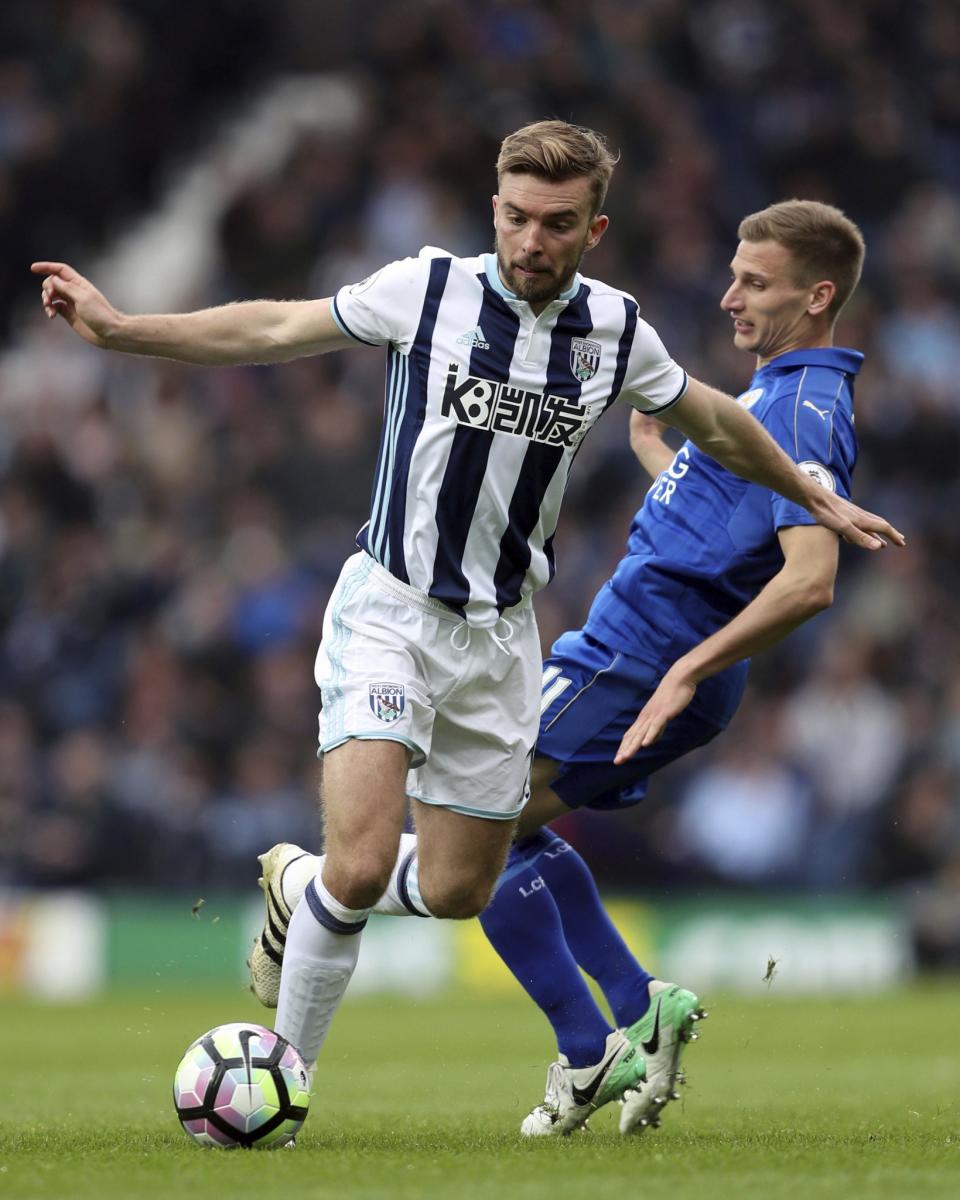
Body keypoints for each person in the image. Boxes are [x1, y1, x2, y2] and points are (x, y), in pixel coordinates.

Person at [34, 125, 900, 1129]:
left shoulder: (618, 333)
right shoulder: (429, 290)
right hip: (392, 610)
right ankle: (287, 1081)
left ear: (595, 229)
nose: (533, 240)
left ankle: (301, 892)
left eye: (558, 224)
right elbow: (276, 328)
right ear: (495, 209)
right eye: (517, 217)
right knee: (362, 864)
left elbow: (716, 420)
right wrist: (124, 329)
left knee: (454, 889)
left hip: (500, 638)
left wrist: (815, 500)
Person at [245, 197, 879, 1134]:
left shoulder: (806, 404)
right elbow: (729, 512)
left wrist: (682, 669)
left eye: (755, 282)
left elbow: (809, 579)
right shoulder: (772, 391)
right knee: (501, 835)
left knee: (476, 840)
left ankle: (571, 1039)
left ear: (819, 294)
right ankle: (631, 1009)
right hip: (630, 651)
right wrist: (667, 453)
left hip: (637, 660)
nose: (730, 297)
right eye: (734, 274)